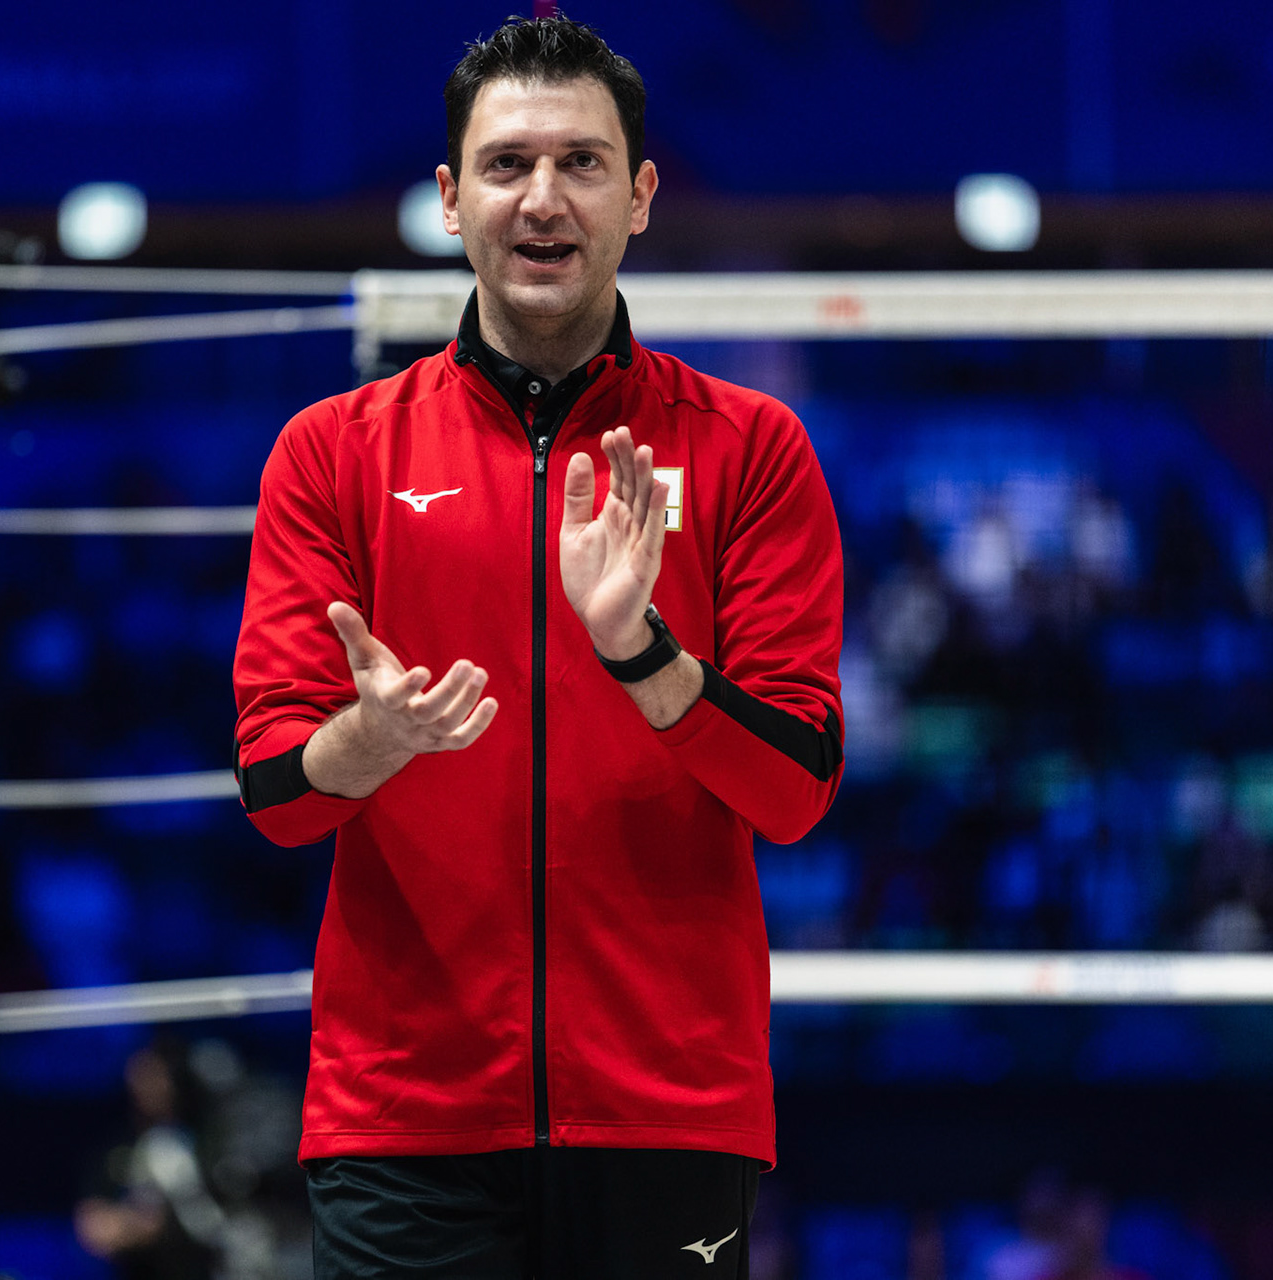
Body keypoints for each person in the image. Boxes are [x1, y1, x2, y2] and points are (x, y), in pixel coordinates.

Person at [231, 14, 844, 1277]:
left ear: (642, 195)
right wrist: (373, 737)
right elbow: (276, 793)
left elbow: (795, 788)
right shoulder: (332, 452)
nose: (544, 198)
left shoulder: (753, 447)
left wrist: (645, 655)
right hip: (405, 1118)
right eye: (507, 165)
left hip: (670, 1110)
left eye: (583, 162)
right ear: (451, 201)